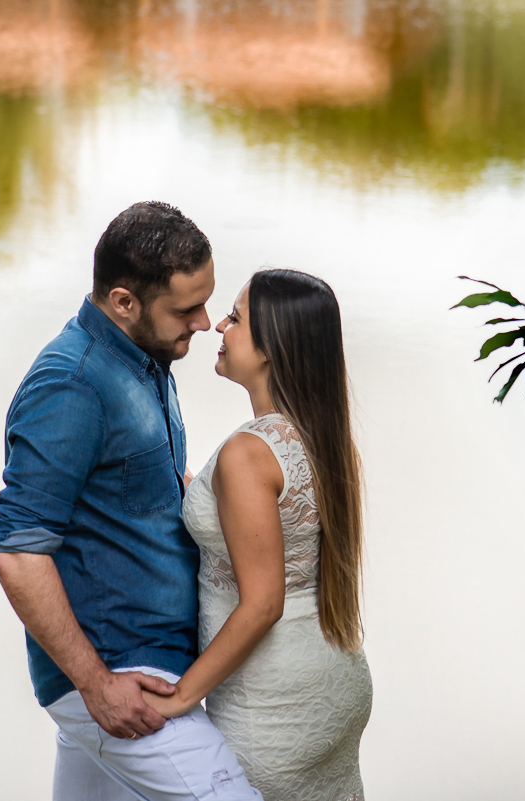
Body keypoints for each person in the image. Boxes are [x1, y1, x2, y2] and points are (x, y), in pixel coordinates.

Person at [0, 201, 262, 801]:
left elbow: (143, 494)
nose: (204, 322)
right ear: (123, 301)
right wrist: (95, 685)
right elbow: (16, 549)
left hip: (155, 661)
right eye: (186, 309)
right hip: (122, 676)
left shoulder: (146, 358)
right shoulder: (72, 384)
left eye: (207, 301)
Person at [141, 269, 373, 801]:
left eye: (237, 319)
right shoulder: (318, 434)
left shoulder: (249, 452)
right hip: (334, 679)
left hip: (270, 701)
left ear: (272, 348)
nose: (219, 325)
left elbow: (263, 602)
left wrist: (182, 698)